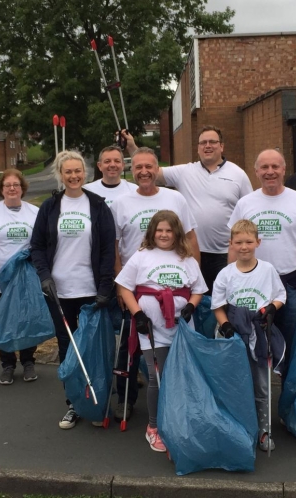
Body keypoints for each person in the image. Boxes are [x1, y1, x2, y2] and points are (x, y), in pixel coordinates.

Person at [109, 146, 199, 423]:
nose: (144, 172)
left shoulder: (175, 198)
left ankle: (171, 407)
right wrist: (120, 287)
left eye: (149, 166)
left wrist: (193, 281)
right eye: (138, 167)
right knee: (131, 347)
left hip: (174, 285)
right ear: (131, 170)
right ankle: (127, 400)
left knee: (170, 357)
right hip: (137, 287)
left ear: (157, 169)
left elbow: (192, 239)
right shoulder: (121, 203)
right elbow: (114, 247)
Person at [30, 150, 116, 430]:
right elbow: (38, 247)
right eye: (68, 172)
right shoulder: (50, 207)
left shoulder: (98, 206)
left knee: (93, 347)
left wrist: (105, 287)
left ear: (86, 173)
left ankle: (95, 400)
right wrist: (44, 276)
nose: (74, 176)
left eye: (78, 171)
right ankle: (73, 404)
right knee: (68, 348)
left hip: (91, 291)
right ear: (60, 174)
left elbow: (106, 251)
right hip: (59, 292)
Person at [115, 210, 207, 453]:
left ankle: (177, 420)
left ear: (177, 232)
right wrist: (138, 314)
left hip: (181, 328)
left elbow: (198, 289)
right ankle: (153, 427)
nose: (164, 234)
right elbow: (124, 287)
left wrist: (190, 306)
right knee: (156, 377)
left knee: (180, 375)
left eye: (169, 230)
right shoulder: (142, 256)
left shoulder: (186, 258)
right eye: (160, 230)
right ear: (152, 232)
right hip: (151, 329)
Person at [228, 149, 296, 376]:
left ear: (284, 169)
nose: (270, 172)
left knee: (289, 348)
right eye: (264, 167)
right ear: (256, 171)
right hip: (252, 283)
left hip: (290, 284)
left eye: (275, 167)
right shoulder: (244, 204)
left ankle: (288, 407)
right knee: (252, 346)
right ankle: (258, 403)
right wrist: (230, 286)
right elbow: (233, 246)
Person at [124, 126, 253, 292]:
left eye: (212, 142)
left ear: (221, 146)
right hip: (189, 253)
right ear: (198, 148)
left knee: (227, 299)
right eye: (203, 142)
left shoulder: (238, 174)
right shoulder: (184, 171)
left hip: (226, 253)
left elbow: (248, 212)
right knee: (196, 300)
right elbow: (148, 169)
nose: (207, 146)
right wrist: (132, 147)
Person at [211, 219, 286, 452]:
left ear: (258, 242)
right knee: (232, 382)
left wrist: (273, 307)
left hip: (259, 331)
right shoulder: (225, 274)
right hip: (232, 332)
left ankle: (263, 430)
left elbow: (280, 294)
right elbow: (217, 306)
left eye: (249, 242)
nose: (244, 246)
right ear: (231, 243)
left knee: (261, 383)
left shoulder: (267, 270)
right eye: (239, 242)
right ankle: (237, 428)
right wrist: (225, 326)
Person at [0, 168, 40, 385]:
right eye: (7, 185)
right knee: (5, 321)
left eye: (16, 185)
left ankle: (28, 361)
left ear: (22, 188)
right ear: (1, 190)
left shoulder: (34, 212)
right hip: (0, 278)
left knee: (27, 319)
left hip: (26, 277)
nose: (12, 188)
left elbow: (41, 245)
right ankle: (8, 364)